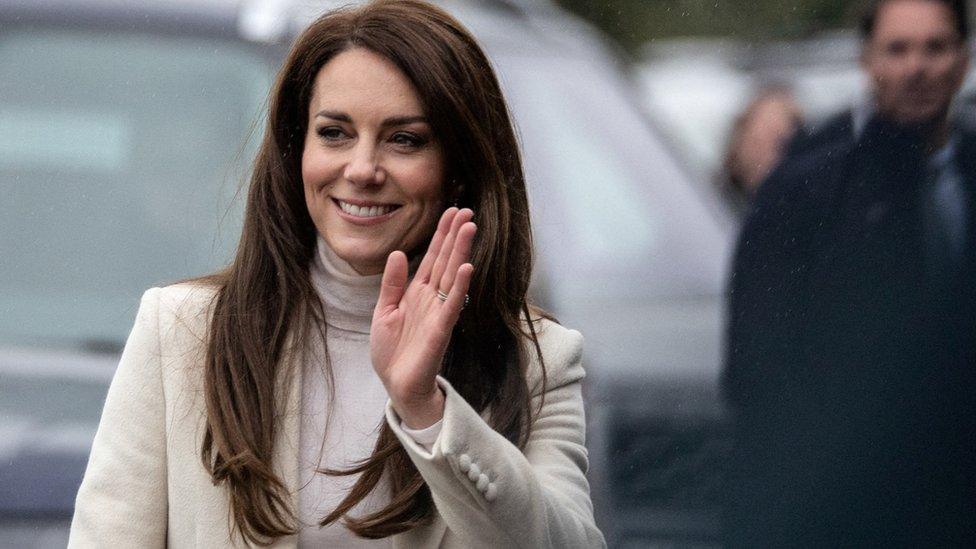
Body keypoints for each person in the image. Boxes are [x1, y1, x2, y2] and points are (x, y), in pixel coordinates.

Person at [68, 1, 605, 547]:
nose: (362, 169)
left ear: (460, 171)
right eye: (334, 133)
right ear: (295, 148)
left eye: (405, 139)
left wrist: (428, 412)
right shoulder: (180, 332)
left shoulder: (539, 360)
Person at [724, 0, 976, 546]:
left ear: (964, 59)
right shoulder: (808, 190)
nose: (917, 68)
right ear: (867, 60)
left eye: (936, 47)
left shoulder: (965, 176)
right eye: (898, 49)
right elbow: (756, 371)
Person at [720, 86, 803, 213]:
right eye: (756, 140)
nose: (762, 152)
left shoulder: (793, 211)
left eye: (777, 142)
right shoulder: (705, 195)